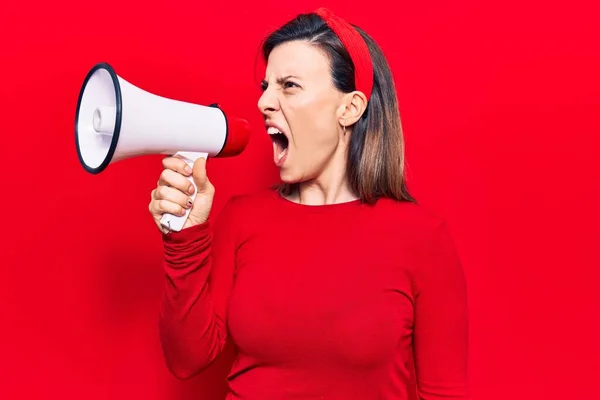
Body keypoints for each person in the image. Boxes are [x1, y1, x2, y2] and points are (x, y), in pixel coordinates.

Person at [148, 7, 469, 400]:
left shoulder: (422, 238)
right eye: (266, 86)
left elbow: (446, 392)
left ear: (349, 108)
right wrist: (184, 238)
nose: (265, 101)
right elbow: (187, 359)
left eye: (289, 86)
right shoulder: (242, 217)